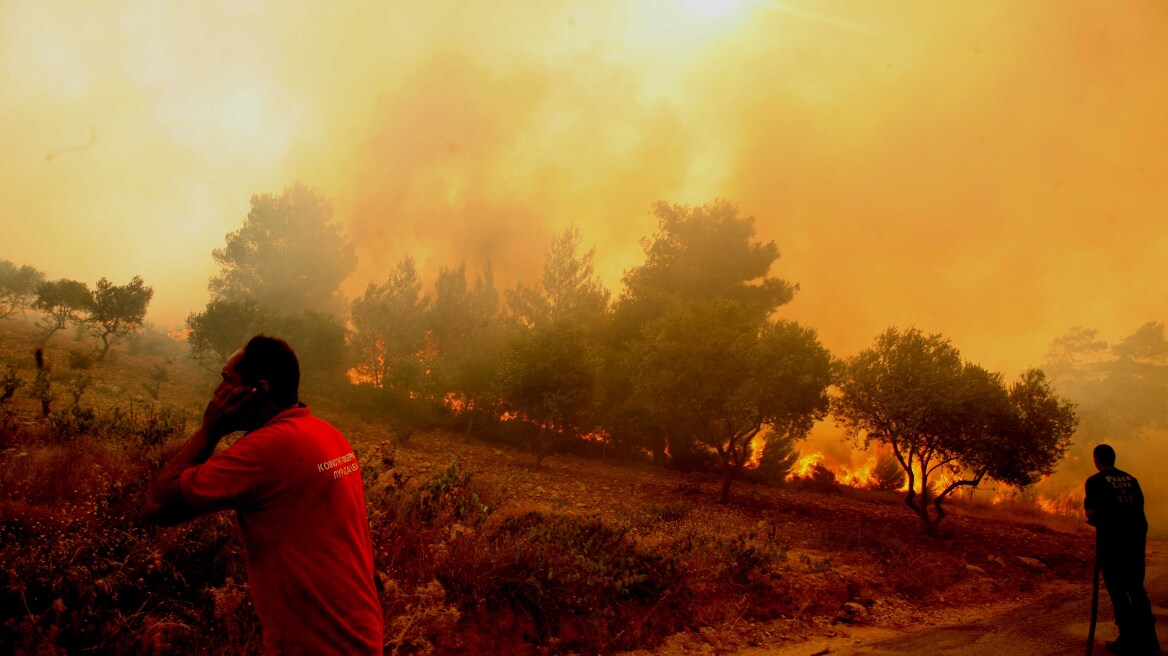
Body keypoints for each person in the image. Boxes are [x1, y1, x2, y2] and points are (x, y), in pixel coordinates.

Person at [144, 335, 383, 655]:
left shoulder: (267, 449)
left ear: (259, 389)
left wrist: (210, 429)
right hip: (362, 635)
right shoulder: (328, 434)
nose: (216, 395)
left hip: (316, 645)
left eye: (226, 381)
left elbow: (158, 503)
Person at [1085, 443, 1160, 655]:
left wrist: (1098, 520)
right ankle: (1149, 641)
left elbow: (1091, 513)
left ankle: (1127, 639)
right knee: (1136, 589)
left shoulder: (1095, 481)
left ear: (1097, 459)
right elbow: (1138, 510)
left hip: (1112, 544)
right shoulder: (1131, 479)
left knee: (1118, 592)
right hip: (1135, 542)